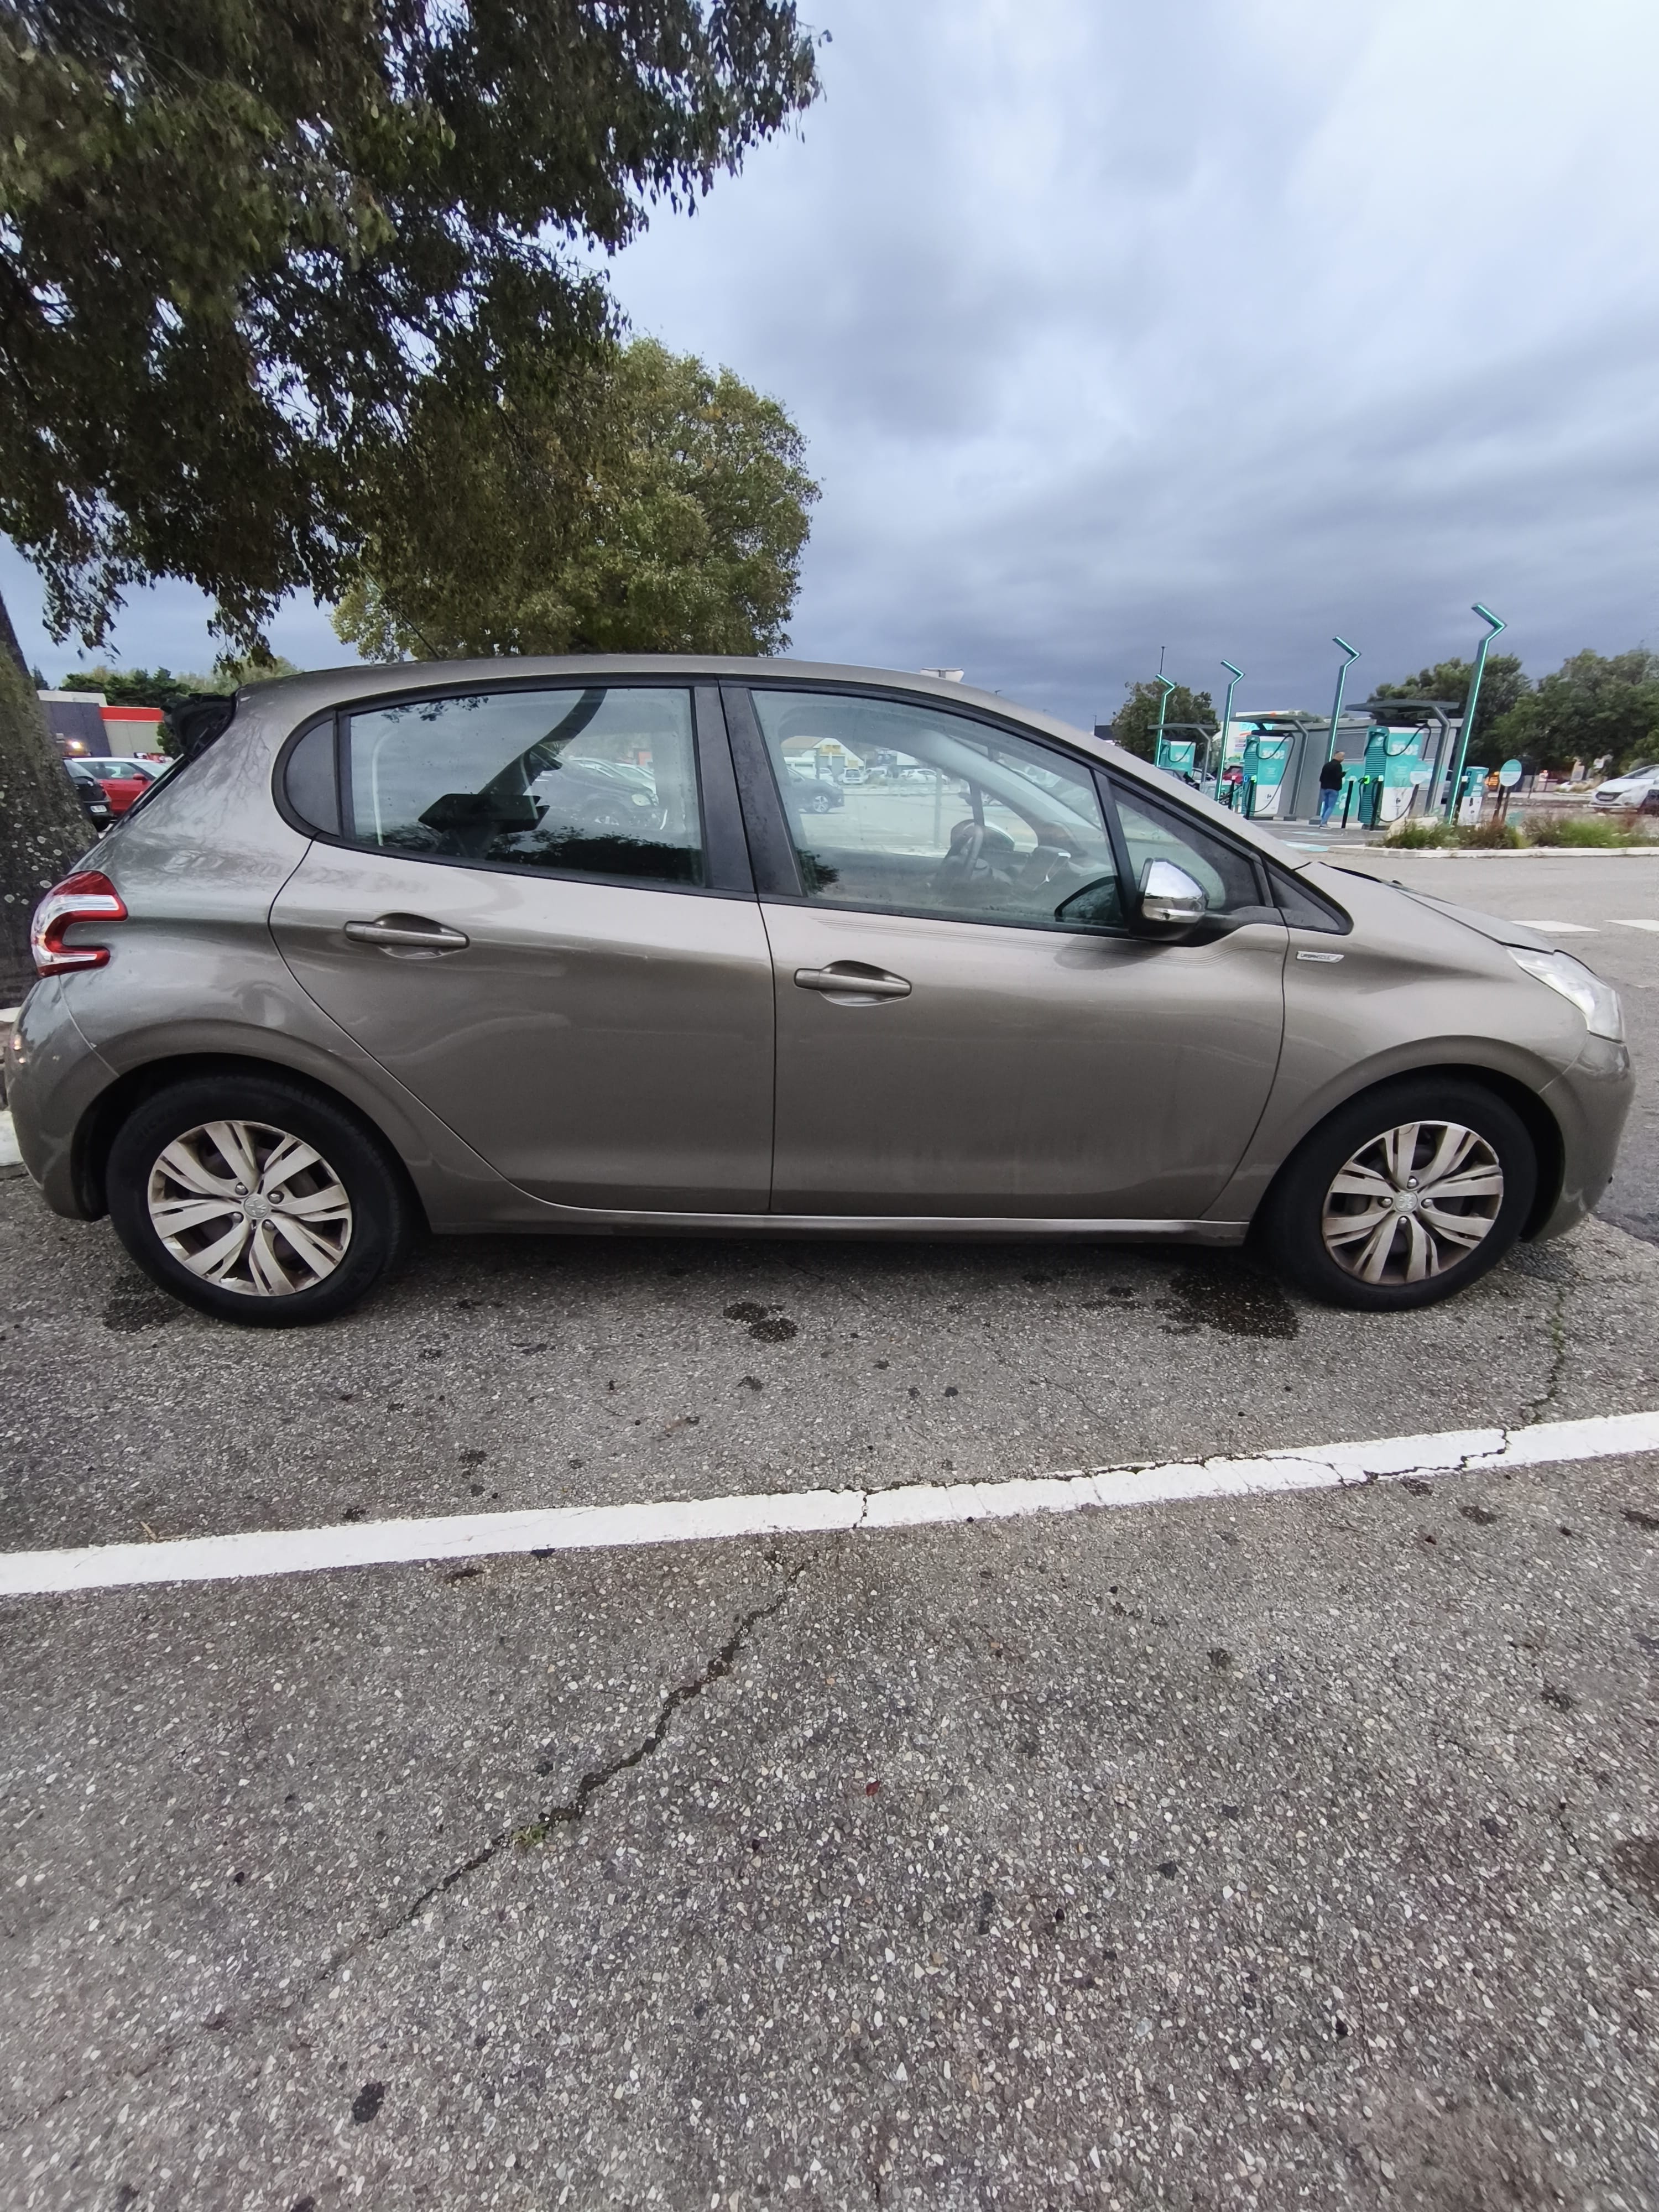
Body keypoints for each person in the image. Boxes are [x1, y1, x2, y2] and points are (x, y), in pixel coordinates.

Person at [1318, 754, 1344, 824]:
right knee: (1331, 806)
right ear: (1339, 757)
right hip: (1334, 789)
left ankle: (1322, 820)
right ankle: (1324, 822)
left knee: (1326, 805)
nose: (1343, 759)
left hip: (1324, 788)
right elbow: (1337, 776)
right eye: (1342, 757)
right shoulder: (1338, 766)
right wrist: (1344, 774)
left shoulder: (1327, 765)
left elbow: (1321, 778)